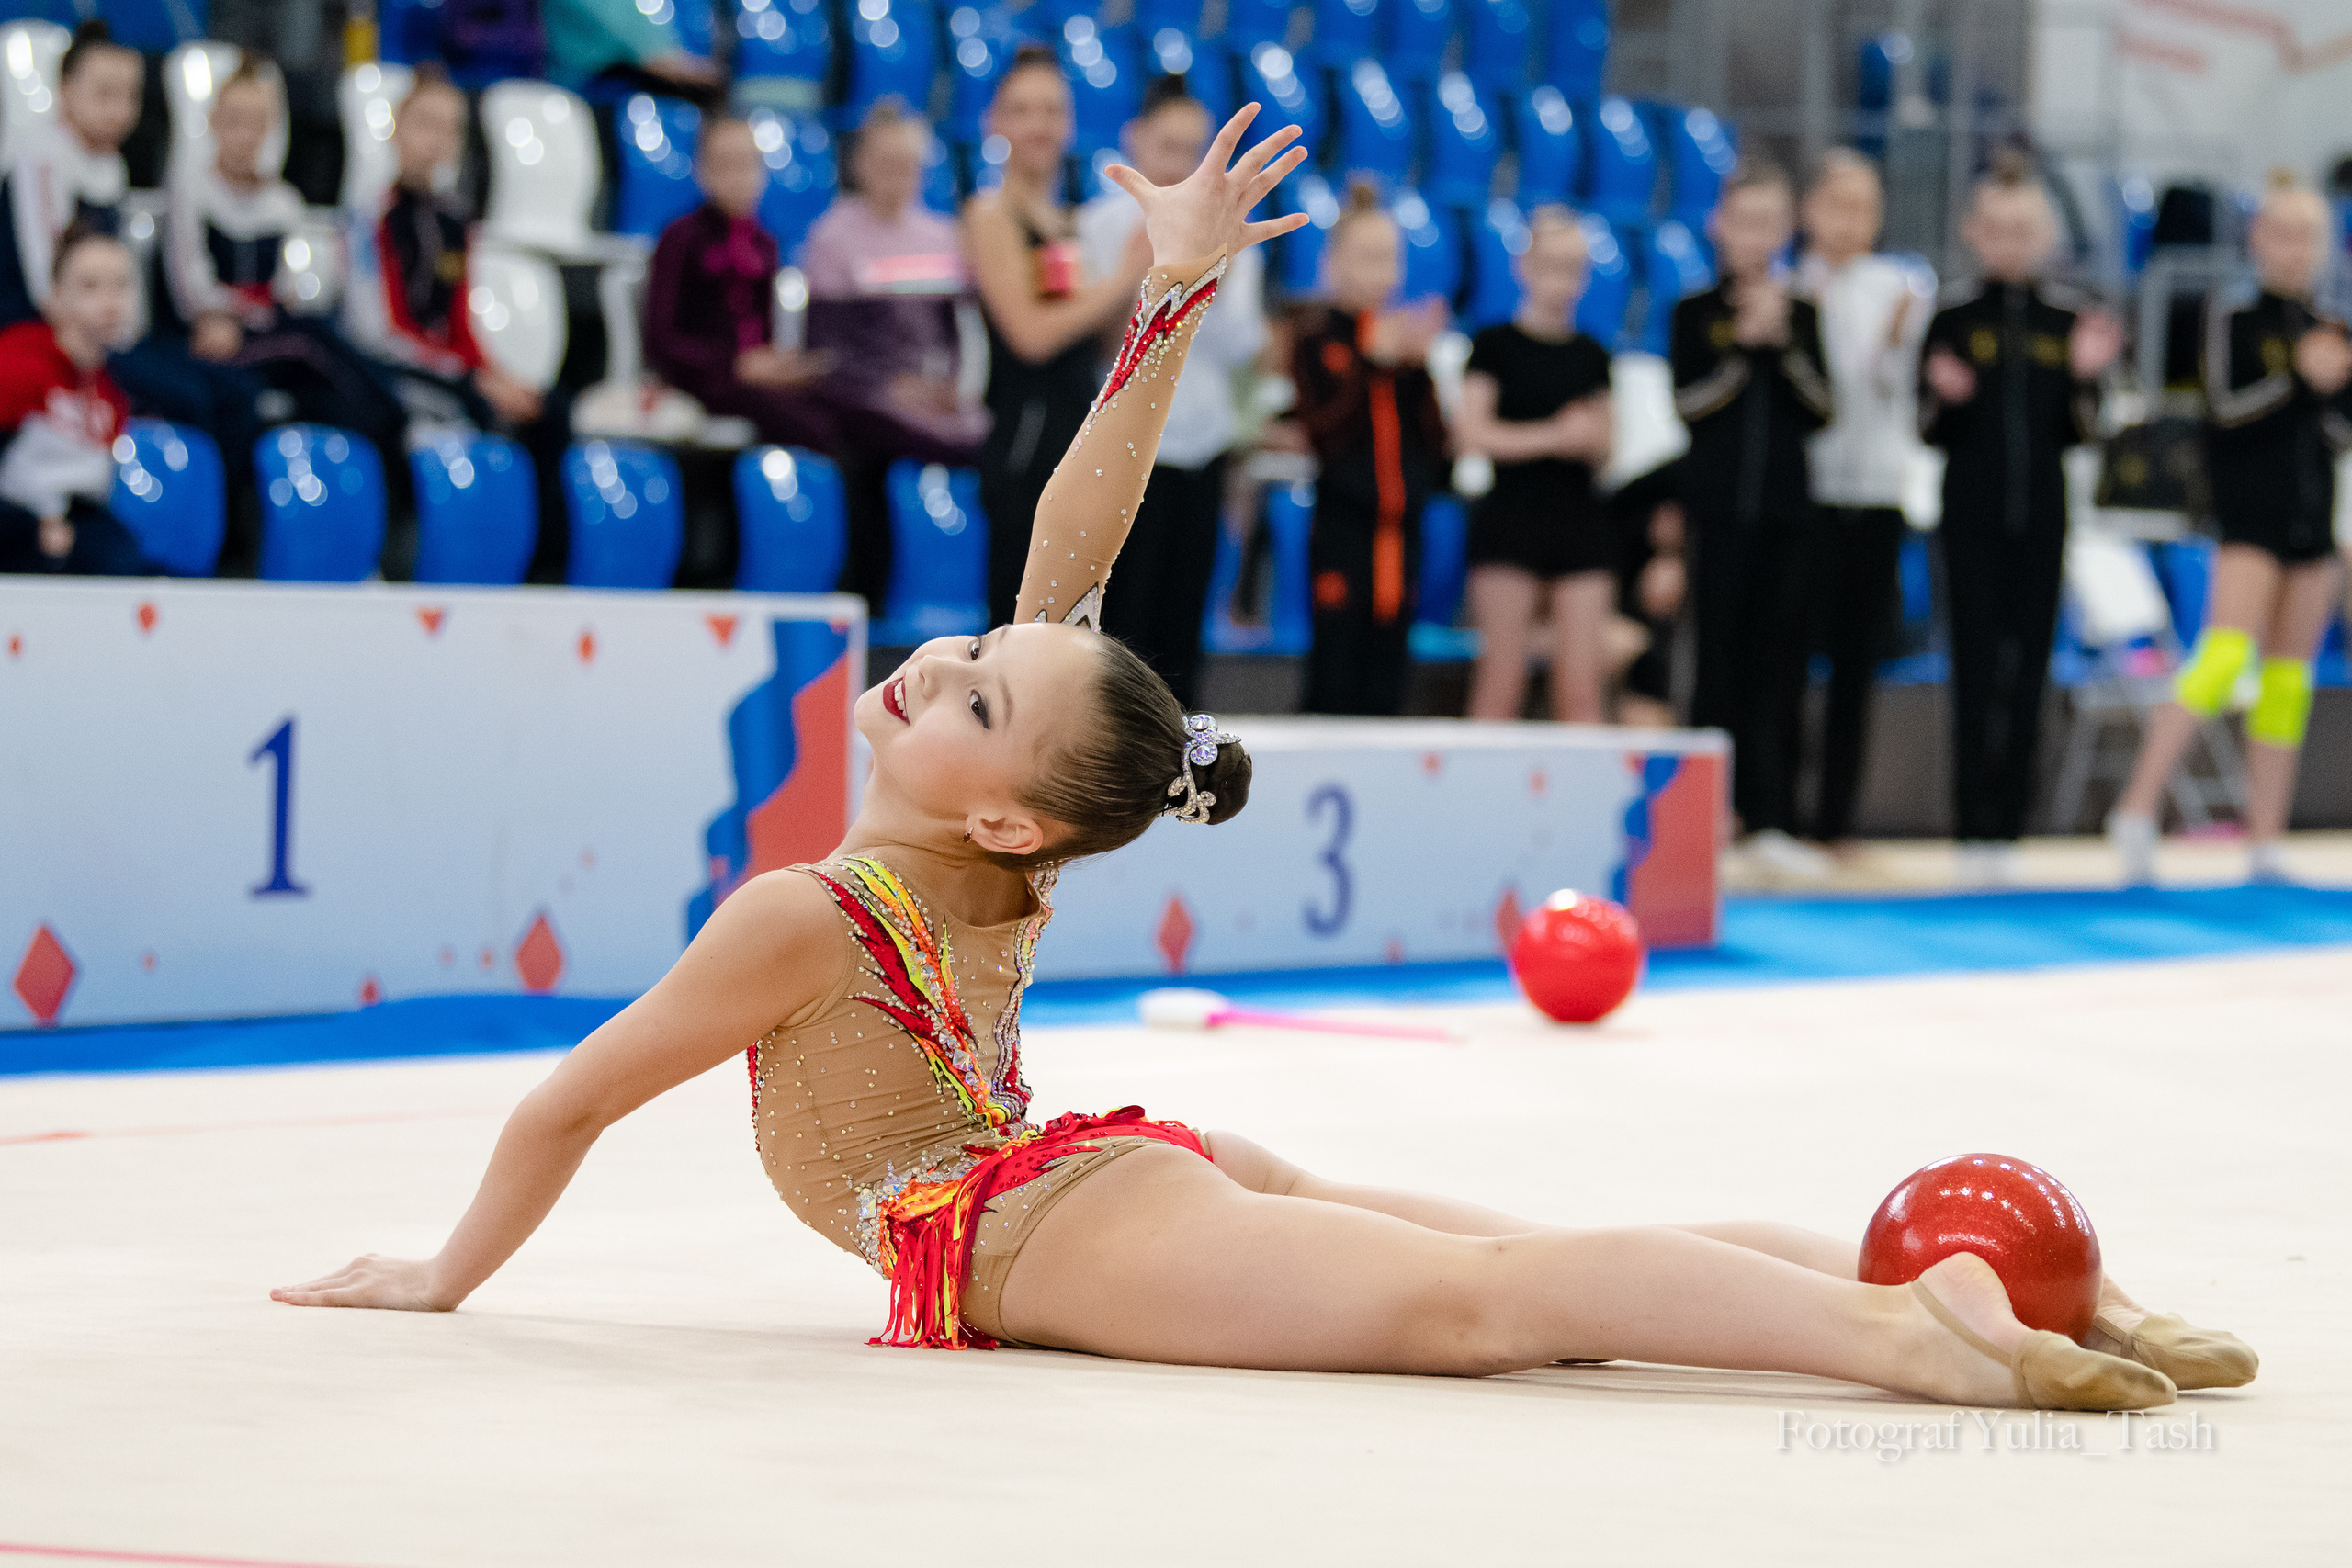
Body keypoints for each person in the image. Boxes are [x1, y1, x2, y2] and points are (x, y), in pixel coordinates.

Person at [273, 107, 2253, 1419]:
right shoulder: (998, 842)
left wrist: (444, 1275)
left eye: (972, 683)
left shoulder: (820, 902)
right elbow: (1069, 560)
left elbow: (570, 1099)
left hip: (1039, 1220)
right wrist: (1171, 292)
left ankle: (1922, 1330)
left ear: (1002, 803)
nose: (940, 656)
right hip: (1095, 1181)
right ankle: (2008, 1289)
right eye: (967, 661)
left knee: (1487, 1303)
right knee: (1506, 1270)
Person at [2107, 175, 2351, 886]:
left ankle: (2265, 836)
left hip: (2312, 518)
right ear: (2258, 238)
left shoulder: (2330, 326)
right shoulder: (2233, 317)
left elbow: (2338, 431)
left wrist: (2333, 385)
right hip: (2249, 517)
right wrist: (2299, 379)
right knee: (2221, 657)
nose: (2295, 250)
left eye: (2308, 237)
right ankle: (2137, 804)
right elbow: (2224, 410)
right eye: (2283, 234)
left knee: (2287, 680)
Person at [1919, 154, 2122, 886]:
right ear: (1974, 231)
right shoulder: (1952, 317)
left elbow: (2085, 433)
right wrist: (1946, 398)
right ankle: (1970, 825)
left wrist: (2085, 378)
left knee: (2030, 669)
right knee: (1974, 668)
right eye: (1997, 228)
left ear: (2044, 236)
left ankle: (2012, 825)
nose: (2009, 242)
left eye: (2023, 229)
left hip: (2043, 513)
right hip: (1968, 515)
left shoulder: (2067, 321)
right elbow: (1927, 431)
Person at [2, 22, 266, 571]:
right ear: (64, 91)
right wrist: (105, 339)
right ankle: (217, 553)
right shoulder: (41, 158)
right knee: (193, 399)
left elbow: (118, 287)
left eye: (129, 95)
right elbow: (52, 287)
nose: (119, 110)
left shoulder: (110, 168)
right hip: (51, 341)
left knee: (237, 393)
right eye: (103, 93)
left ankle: (229, 554)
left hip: (104, 337)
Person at [1077, 74, 1267, 707]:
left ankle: (1177, 751)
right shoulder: (1100, 226)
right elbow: (1099, 343)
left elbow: (1240, 345)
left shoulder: (1233, 234)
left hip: (1201, 451)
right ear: (1134, 140)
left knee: (1182, 628)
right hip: (1124, 452)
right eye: (1168, 146)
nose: (1181, 164)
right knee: (1120, 626)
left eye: (1193, 149)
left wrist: (1217, 267)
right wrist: (1148, 269)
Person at [164, 55, 410, 546]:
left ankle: (357, 524)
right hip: (217, 339)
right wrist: (233, 313)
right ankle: (390, 412)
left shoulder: (282, 202)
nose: (245, 135)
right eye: (235, 121)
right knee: (311, 342)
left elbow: (288, 288)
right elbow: (192, 287)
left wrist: (263, 310)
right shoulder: (191, 191)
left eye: (257, 123)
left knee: (327, 391)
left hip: (270, 340)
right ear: (214, 123)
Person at [1669, 160, 1835, 876]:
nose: (1756, 237)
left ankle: (1774, 818)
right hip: (1716, 512)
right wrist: (1742, 346)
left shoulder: (1805, 315)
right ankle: (1711, 820)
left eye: (1770, 224)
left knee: (1782, 667)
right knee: (1716, 664)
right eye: (1745, 222)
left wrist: (1783, 345)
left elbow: (1823, 409)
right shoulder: (1694, 313)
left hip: (1788, 514)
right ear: (1720, 226)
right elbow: (1688, 407)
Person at [345, 69, 571, 581]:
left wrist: (494, 373)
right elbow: (378, 330)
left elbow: (461, 322)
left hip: (448, 369)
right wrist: (468, 376)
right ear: (397, 130)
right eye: (425, 124)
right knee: (454, 409)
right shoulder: (371, 214)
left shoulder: (455, 221)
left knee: (550, 410)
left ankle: (542, 572)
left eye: (449, 129)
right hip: (386, 367)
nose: (436, 140)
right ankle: (407, 559)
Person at [966, 44, 1153, 626]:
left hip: (1075, 432)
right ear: (994, 122)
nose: (1039, 125)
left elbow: (1093, 340)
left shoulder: (1067, 224)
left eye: (1051, 110)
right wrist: (1123, 277)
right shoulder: (990, 215)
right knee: (1021, 624)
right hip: (1025, 442)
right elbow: (1031, 336)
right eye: (1022, 110)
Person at [803, 99, 992, 617]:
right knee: (862, 462)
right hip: (864, 403)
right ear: (860, 164)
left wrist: (953, 386)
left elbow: (960, 336)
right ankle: (869, 605)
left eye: (908, 164)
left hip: (932, 403)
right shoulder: (833, 238)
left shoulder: (942, 237)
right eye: (886, 163)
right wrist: (890, 389)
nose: (898, 177)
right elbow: (826, 349)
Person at [1794, 151, 1932, 856]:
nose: (1850, 221)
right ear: (1810, 209)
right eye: (1838, 205)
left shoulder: (1900, 288)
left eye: (1864, 208)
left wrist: (1892, 339)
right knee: (1788, 658)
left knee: (1857, 662)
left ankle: (1837, 819)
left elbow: (1888, 387)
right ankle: (1777, 812)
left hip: (1877, 492)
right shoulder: (1790, 286)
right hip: (1808, 492)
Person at [1289, 182, 1451, 716]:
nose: (1382, 272)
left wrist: (1418, 369)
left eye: (1390, 258)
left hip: (1402, 537)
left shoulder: (1405, 350)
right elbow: (1326, 437)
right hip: (1343, 532)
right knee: (1334, 674)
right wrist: (1369, 364)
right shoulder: (1317, 341)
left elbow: (1438, 450)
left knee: (1389, 677)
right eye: (1368, 257)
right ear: (1333, 264)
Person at [1454, 208, 1615, 721]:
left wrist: (1583, 438)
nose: (1561, 281)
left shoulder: (1593, 354)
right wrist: (1555, 435)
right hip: (1511, 517)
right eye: (1551, 266)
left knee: (1581, 690)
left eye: (1573, 269)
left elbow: (1604, 444)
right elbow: (1473, 434)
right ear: (1524, 266)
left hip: (1579, 520)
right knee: (1500, 683)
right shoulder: (1493, 345)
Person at [644, 117, 841, 452]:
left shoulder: (764, 242)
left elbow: (763, 337)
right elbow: (660, 340)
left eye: (747, 164)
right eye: (725, 164)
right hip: (704, 380)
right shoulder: (680, 238)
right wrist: (734, 364)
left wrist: (779, 364)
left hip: (754, 381)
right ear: (702, 170)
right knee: (813, 429)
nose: (738, 176)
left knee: (841, 407)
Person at [0, 224, 155, 576]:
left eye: (121, 285)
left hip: (77, 529)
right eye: (90, 286)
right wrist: (32, 526)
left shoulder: (113, 386)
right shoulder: (18, 361)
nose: (110, 301)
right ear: (54, 296)